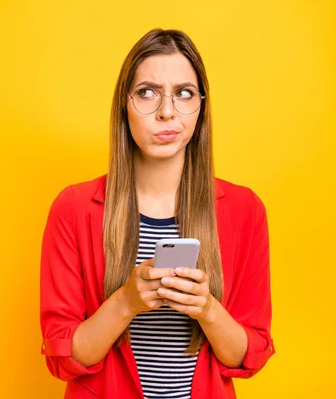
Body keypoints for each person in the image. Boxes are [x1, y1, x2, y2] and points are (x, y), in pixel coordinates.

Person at [39, 29, 275, 399]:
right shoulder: (73, 208)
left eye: (183, 93)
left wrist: (206, 308)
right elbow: (64, 356)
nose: (167, 111)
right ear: (124, 105)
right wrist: (127, 300)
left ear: (201, 105)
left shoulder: (245, 211)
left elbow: (247, 356)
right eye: (147, 92)